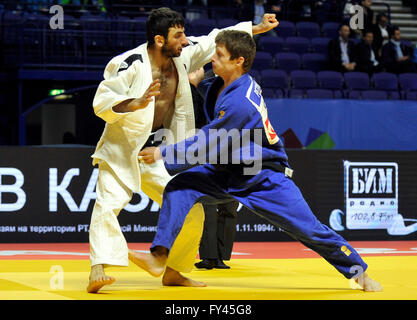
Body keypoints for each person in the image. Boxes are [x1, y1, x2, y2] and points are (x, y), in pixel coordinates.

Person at [137, 29, 383, 292]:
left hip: (264, 176)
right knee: (180, 186)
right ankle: (159, 254)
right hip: (229, 168)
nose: (212, 59)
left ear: (238, 61)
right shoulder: (225, 82)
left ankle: (359, 271)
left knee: (309, 230)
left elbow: (209, 140)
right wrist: (192, 83)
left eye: (219, 55)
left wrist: (163, 152)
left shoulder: (241, 103)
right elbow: (209, 95)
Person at [87, 7, 279, 293]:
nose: (185, 40)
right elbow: (102, 99)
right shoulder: (129, 63)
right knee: (107, 204)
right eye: (178, 35)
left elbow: (212, 39)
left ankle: (174, 271)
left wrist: (255, 28)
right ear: (159, 40)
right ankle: (98, 269)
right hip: (122, 149)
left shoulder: (182, 58)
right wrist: (135, 103)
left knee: (190, 210)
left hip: (159, 151)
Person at [188, 67, 239, 270]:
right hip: (208, 143)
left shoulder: (233, 80)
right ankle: (211, 256)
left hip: (232, 143)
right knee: (209, 202)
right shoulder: (203, 80)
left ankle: (220, 254)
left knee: (229, 203)